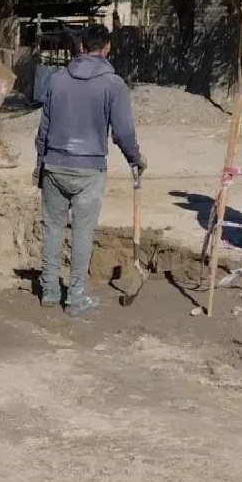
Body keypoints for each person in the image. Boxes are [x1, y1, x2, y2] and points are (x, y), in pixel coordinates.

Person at [34, 24, 145, 316]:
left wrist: (40, 166)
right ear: (106, 48)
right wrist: (135, 158)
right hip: (89, 168)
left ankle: (49, 291)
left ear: (81, 47)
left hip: (55, 164)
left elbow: (43, 129)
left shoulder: (57, 80)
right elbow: (122, 132)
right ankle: (75, 298)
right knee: (83, 232)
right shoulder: (114, 84)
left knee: (53, 228)